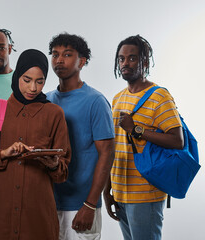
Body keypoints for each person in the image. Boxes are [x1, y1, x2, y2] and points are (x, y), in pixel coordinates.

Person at [0, 49, 71, 240]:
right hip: (2, 217)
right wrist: (3, 154)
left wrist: (53, 163)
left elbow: (63, 172)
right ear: (16, 76)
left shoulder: (54, 114)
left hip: (39, 218)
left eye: (39, 81)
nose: (33, 88)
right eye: (26, 80)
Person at [103, 35, 184, 240]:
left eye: (132, 58)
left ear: (144, 62)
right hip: (120, 190)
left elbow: (177, 140)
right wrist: (108, 188)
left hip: (145, 193)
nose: (125, 63)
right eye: (121, 59)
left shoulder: (159, 96)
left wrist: (136, 129)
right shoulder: (118, 98)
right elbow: (113, 147)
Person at [46, 33, 115, 240]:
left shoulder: (96, 101)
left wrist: (90, 204)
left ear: (82, 61)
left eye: (67, 55)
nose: (59, 60)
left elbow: (107, 154)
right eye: (55, 54)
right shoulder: (46, 100)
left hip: (81, 205)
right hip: (49, 202)